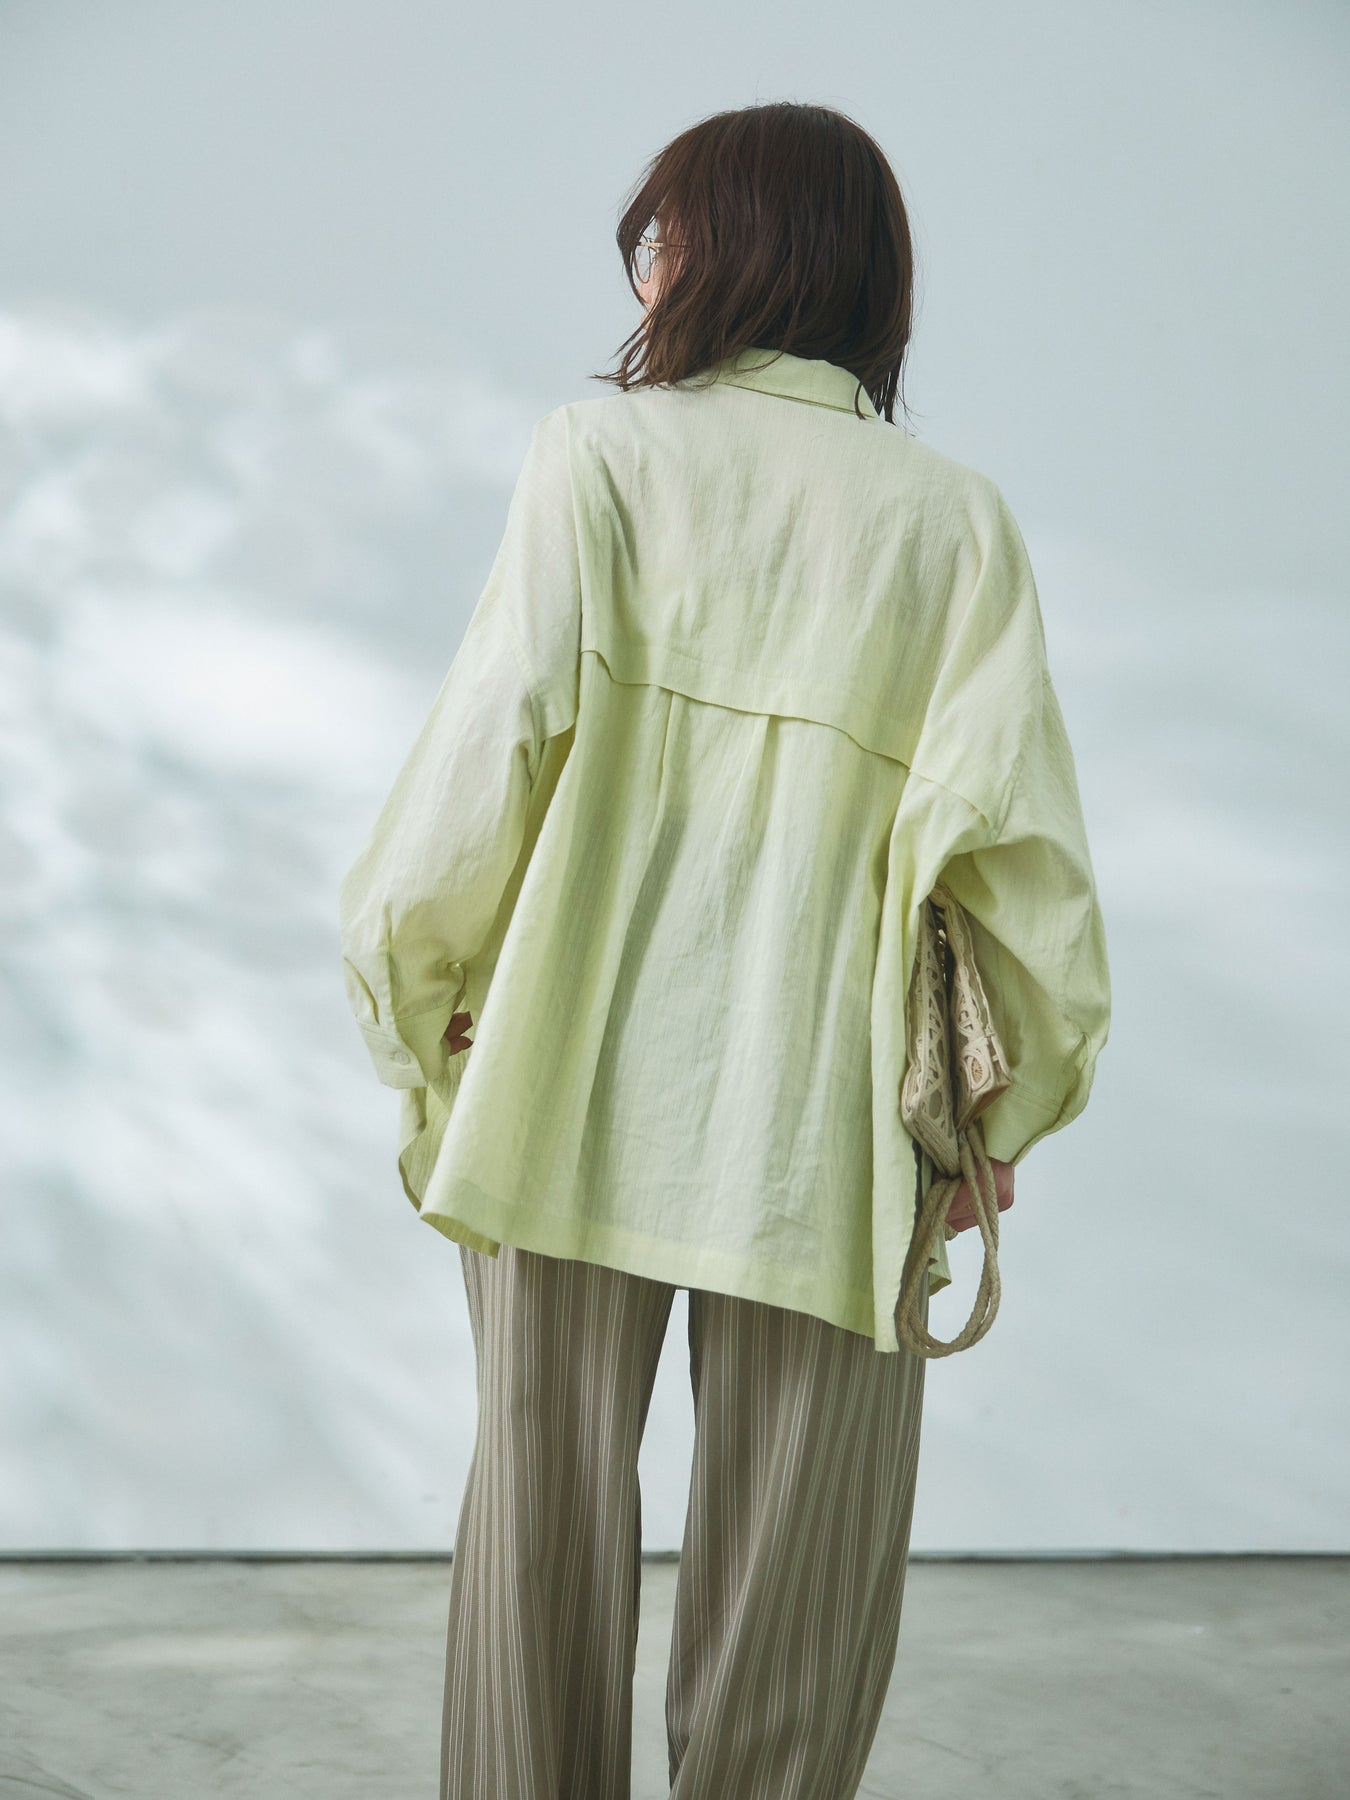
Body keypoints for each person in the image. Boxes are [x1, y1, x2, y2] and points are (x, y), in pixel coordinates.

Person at [338, 100, 1111, 1800]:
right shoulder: (952, 523)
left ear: (726, 249)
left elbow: (484, 758)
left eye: (663, 230)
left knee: (534, 1533)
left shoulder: (598, 458)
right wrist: (997, 1119)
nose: (648, 264)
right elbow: (1023, 868)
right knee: (799, 1584)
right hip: (831, 1121)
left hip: (558, 1074)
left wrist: (426, 999)